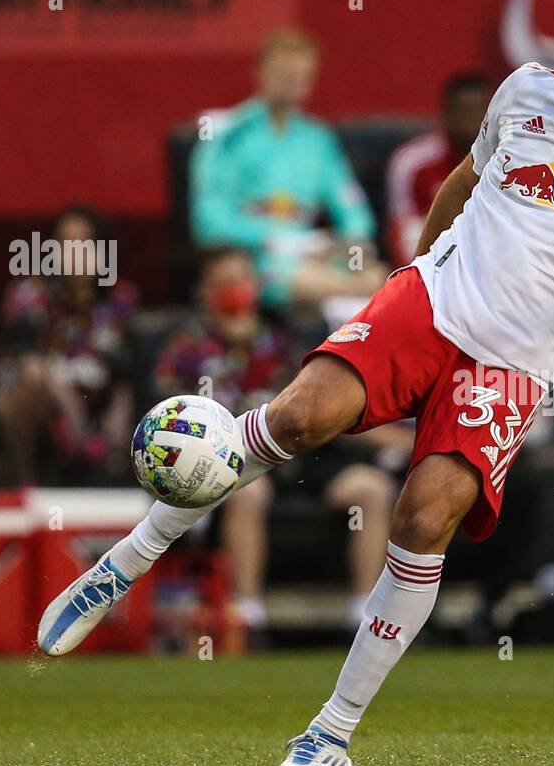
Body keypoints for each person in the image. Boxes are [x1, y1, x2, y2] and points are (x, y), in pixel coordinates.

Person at [38, 0, 554, 766]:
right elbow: (468, 178)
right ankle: (123, 564)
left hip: (512, 364)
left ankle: (328, 731)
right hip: (431, 301)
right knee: (296, 420)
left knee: (424, 519)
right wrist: (417, 270)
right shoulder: (528, 92)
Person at [154, 246, 409, 630]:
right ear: (204, 292)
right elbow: (171, 421)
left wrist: (390, 439)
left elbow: (324, 404)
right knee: (250, 492)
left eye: (242, 280)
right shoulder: (185, 350)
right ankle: (249, 612)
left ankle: (364, 615)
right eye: (225, 283)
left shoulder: (281, 342)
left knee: (371, 489)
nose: (236, 290)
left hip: (301, 457)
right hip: (231, 463)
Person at [190, 28, 385, 311]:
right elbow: (209, 223)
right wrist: (275, 240)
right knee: (351, 287)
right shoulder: (226, 135)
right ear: (260, 72)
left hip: (315, 256)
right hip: (252, 258)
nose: (293, 84)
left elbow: (352, 208)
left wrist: (353, 242)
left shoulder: (319, 140)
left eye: (302, 77)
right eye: (284, 75)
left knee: (380, 274)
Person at [0, 205, 137, 486]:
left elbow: (129, 368)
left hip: (100, 413)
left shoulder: (121, 301)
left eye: (85, 242)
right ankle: (23, 487)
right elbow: (22, 362)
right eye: (65, 243)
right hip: (44, 414)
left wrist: (120, 412)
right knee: (30, 379)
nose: (75, 252)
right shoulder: (28, 295)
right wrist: (64, 400)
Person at [386, 73, 492, 265]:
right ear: (445, 113)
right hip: (432, 260)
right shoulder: (412, 163)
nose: (471, 120)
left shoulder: (507, 163)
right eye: (462, 111)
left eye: (479, 111)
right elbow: (403, 232)